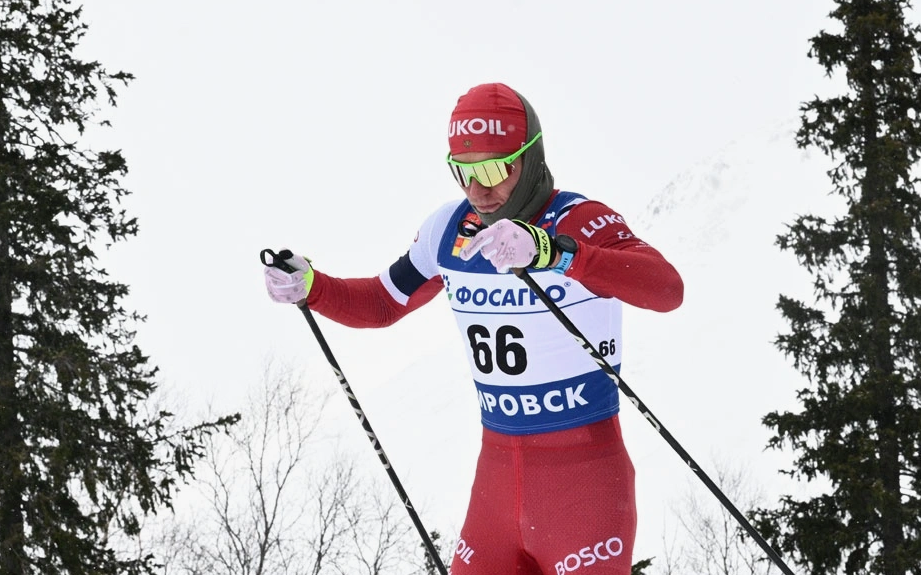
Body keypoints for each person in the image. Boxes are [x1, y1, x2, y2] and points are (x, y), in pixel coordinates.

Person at [264, 82, 683, 575]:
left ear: (531, 158)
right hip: (496, 485)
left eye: (493, 169)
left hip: (584, 485)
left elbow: (666, 289)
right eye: (463, 172)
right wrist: (312, 286)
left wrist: (554, 253)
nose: (478, 189)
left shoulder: (580, 219)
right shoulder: (450, 229)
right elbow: (381, 302)